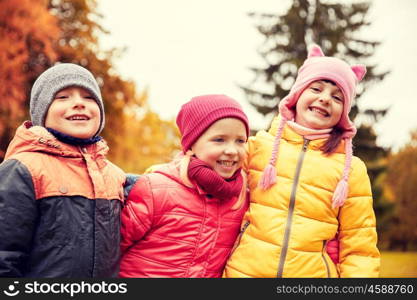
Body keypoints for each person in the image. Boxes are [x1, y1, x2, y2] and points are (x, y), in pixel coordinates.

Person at [223, 45, 380, 278]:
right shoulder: (257, 147)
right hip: (243, 274)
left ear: (344, 112)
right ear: (296, 96)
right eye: (316, 88)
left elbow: (360, 247)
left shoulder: (351, 170)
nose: (325, 99)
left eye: (337, 97)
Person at [0, 63, 125, 277]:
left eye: (88, 97)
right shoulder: (23, 169)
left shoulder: (115, 176)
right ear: (43, 111)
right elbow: (5, 255)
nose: (78, 103)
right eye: (63, 97)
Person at [119, 94, 250, 277]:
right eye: (219, 140)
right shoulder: (156, 189)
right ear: (190, 145)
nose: (231, 150)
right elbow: (110, 249)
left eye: (240, 141)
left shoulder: (241, 200)